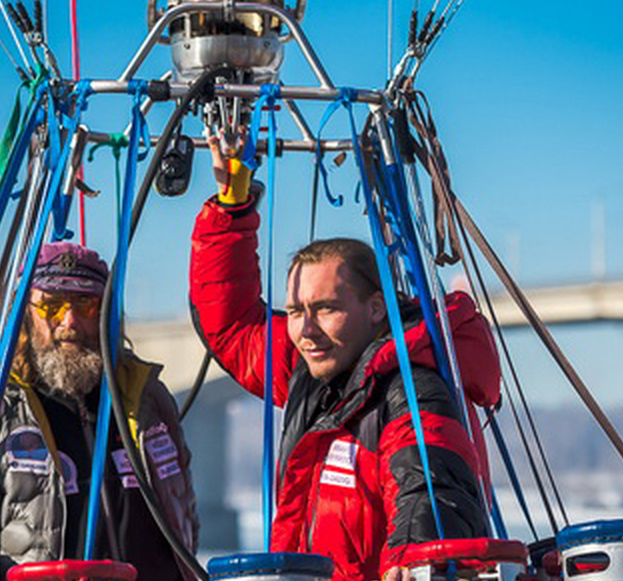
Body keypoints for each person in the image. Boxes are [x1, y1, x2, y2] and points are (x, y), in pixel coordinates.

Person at [189, 131, 502, 581]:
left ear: (375, 308)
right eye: (295, 311)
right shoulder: (314, 375)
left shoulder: (412, 391)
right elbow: (233, 324)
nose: (306, 330)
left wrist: (415, 558)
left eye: (326, 309)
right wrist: (232, 207)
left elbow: (430, 485)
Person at [0, 242, 198, 581]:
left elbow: (181, 507)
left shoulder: (146, 396)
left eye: (85, 306)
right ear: (25, 315)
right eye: (52, 307)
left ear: (106, 314)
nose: (69, 321)